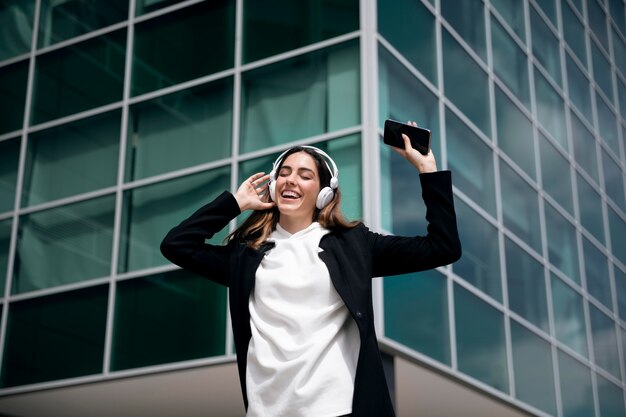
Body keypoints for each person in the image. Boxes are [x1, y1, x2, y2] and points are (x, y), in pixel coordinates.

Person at [160, 122, 462, 417]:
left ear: (324, 193)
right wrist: (234, 204)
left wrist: (428, 171)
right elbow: (176, 245)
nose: (291, 180)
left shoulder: (353, 245)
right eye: (285, 173)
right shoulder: (245, 254)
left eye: (305, 176)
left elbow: (442, 247)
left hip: (336, 408)